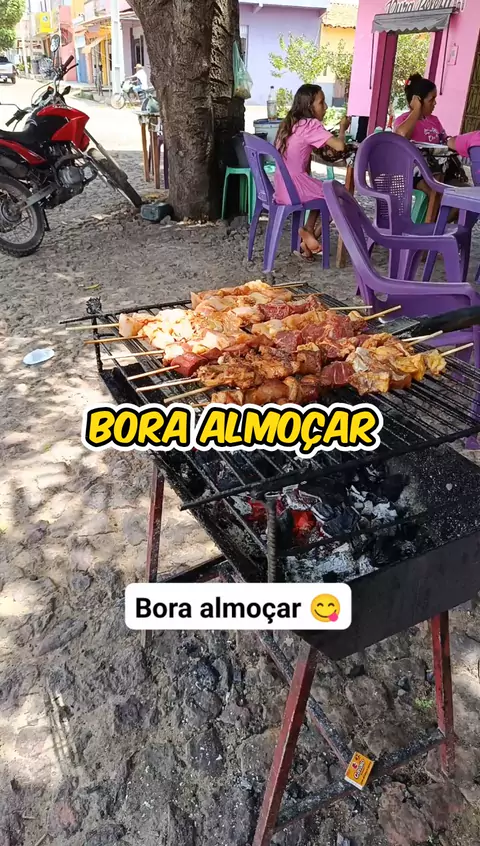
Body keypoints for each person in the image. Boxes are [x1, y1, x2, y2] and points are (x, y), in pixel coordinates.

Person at [274, 84, 350, 260]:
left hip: (282, 186)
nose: (326, 107)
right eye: (321, 103)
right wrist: (342, 129)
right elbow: (340, 146)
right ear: (309, 106)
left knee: (321, 190)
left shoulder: (290, 123)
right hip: (296, 187)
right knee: (340, 197)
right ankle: (312, 235)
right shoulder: (310, 124)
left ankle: (308, 233)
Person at [393, 73, 467, 207]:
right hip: (414, 173)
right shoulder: (403, 120)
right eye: (431, 99)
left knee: (465, 194)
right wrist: (416, 110)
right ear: (418, 100)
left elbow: (445, 140)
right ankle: (433, 218)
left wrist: (459, 142)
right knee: (436, 195)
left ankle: (438, 219)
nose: (435, 103)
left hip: (438, 171)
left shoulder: (434, 121)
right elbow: (402, 136)